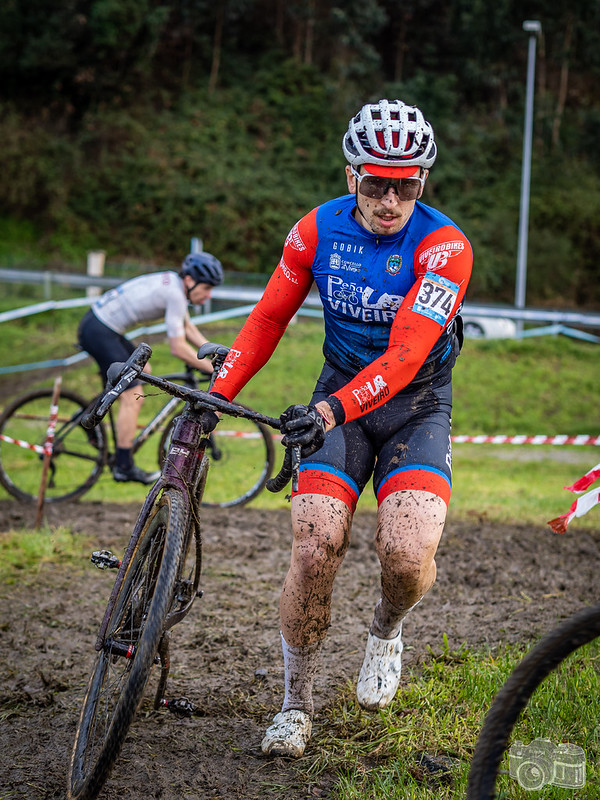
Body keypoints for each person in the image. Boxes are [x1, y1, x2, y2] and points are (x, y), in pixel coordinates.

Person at [210, 98, 473, 757]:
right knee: (313, 547)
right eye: (376, 183)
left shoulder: (445, 246)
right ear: (351, 174)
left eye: (405, 184)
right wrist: (218, 394)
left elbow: (407, 353)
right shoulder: (316, 230)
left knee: (408, 558)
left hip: (416, 406)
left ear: (423, 182)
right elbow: (268, 319)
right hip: (340, 398)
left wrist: (328, 410)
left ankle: (385, 629)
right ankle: (294, 707)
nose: (390, 199)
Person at [78, 251, 224, 484]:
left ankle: (89, 415)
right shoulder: (175, 294)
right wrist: (209, 368)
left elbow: (188, 328)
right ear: (189, 280)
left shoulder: (175, 287)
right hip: (100, 331)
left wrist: (216, 354)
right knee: (133, 393)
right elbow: (177, 346)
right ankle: (124, 466)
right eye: (206, 288)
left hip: (101, 326)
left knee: (145, 370)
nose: (208, 295)